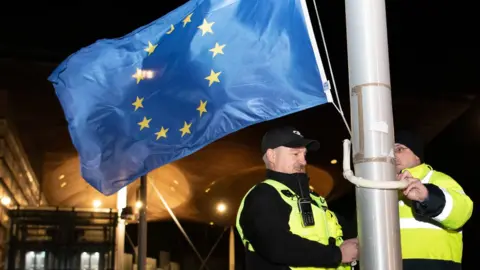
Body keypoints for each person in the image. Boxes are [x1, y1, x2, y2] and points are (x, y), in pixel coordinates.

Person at [235, 126, 358, 270]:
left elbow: (354, 231)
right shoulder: (263, 195)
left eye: (304, 154)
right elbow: (275, 245)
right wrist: (337, 254)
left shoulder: (315, 200)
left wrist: (387, 180)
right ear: (271, 156)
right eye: (295, 154)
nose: (303, 161)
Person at [395, 131, 473, 270]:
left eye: (399, 149)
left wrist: (428, 197)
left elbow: (462, 213)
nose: (392, 155)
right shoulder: (380, 189)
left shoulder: (439, 179)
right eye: (389, 151)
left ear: (417, 155)